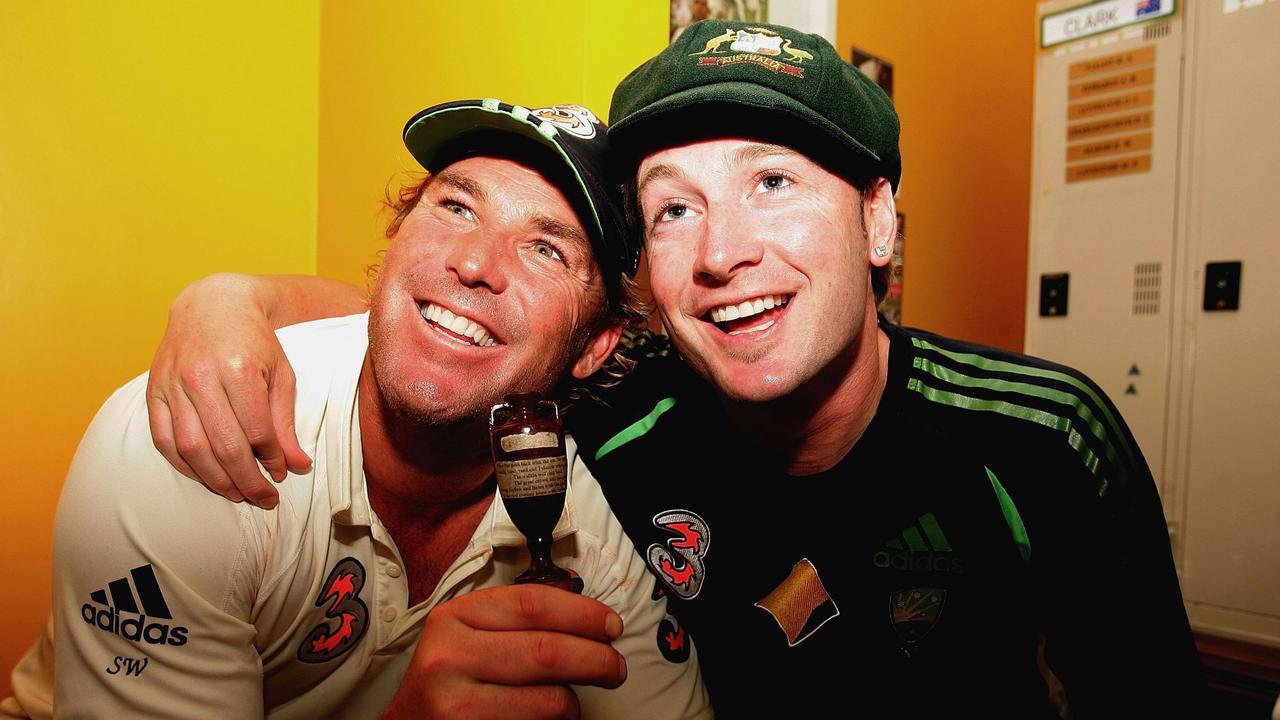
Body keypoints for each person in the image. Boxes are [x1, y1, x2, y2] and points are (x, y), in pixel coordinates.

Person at [123, 21, 1204, 717]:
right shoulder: (611, 420)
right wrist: (234, 300)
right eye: (673, 206)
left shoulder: (1036, 436)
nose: (720, 251)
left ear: (878, 219)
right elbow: (458, 321)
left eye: (771, 182)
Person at [2, 99, 711, 720]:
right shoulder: (202, 440)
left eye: (546, 250)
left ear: (592, 345)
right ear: (395, 242)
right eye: (456, 206)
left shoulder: (574, 503)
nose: (473, 262)